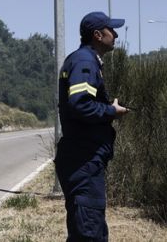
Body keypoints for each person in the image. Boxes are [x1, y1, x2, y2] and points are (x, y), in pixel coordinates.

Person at [54, 12, 130, 242]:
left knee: (84, 231)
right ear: (98, 35)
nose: (115, 34)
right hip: (83, 161)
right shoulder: (85, 62)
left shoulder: (83, 60)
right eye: (111, 30)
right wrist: (111, 111)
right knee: (90, 233)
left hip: (81, 159)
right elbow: (80, 104)